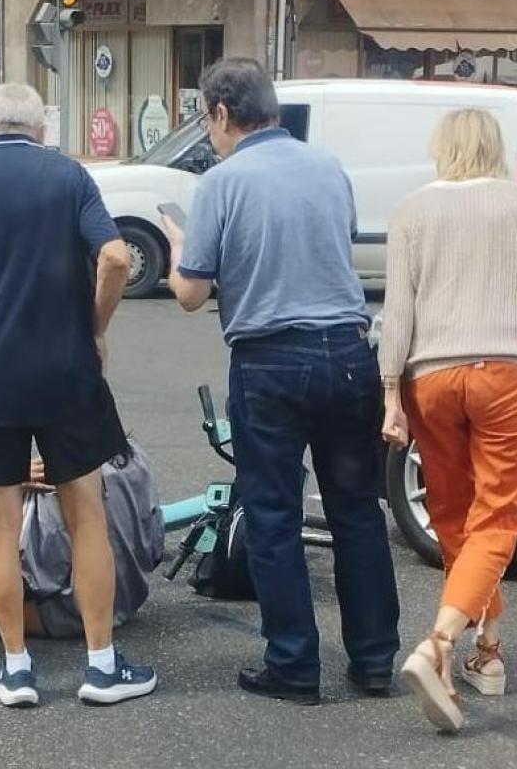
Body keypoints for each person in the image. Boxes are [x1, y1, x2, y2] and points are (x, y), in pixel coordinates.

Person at [0, 82, 156, 710]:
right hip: (67, 374)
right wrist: (95, 329)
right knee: (87, 514)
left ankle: (16, 669)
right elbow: (116, 257)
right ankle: (102, 665)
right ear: (40, 131)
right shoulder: (69, 176)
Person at [164, 57, 400, 706]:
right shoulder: (327, 168)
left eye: (207, 119)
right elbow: (336, 242)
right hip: (350, 353)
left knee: (272, 516)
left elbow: (190, 292)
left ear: (220, 113)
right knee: (357, 511)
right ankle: (375, 658)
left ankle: (294, 665)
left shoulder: (220, 183)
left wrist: (176, 238)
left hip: (270, 360)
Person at [377, 108, 517, 731]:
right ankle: (440, 645)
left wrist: (390, 395)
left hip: (430, 377)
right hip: (507, 373)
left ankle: (487, 654)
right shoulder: (515, 202)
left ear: (442, 148)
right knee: (500, 516)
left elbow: (397, 310)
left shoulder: (411, 209)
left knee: (455, 517)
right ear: (494, 148)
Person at [0, 448, 165, 638]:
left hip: (72, 612)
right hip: (130, 594)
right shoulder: (134, 457)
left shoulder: (56, 480)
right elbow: (154, 539)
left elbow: (35, 558)